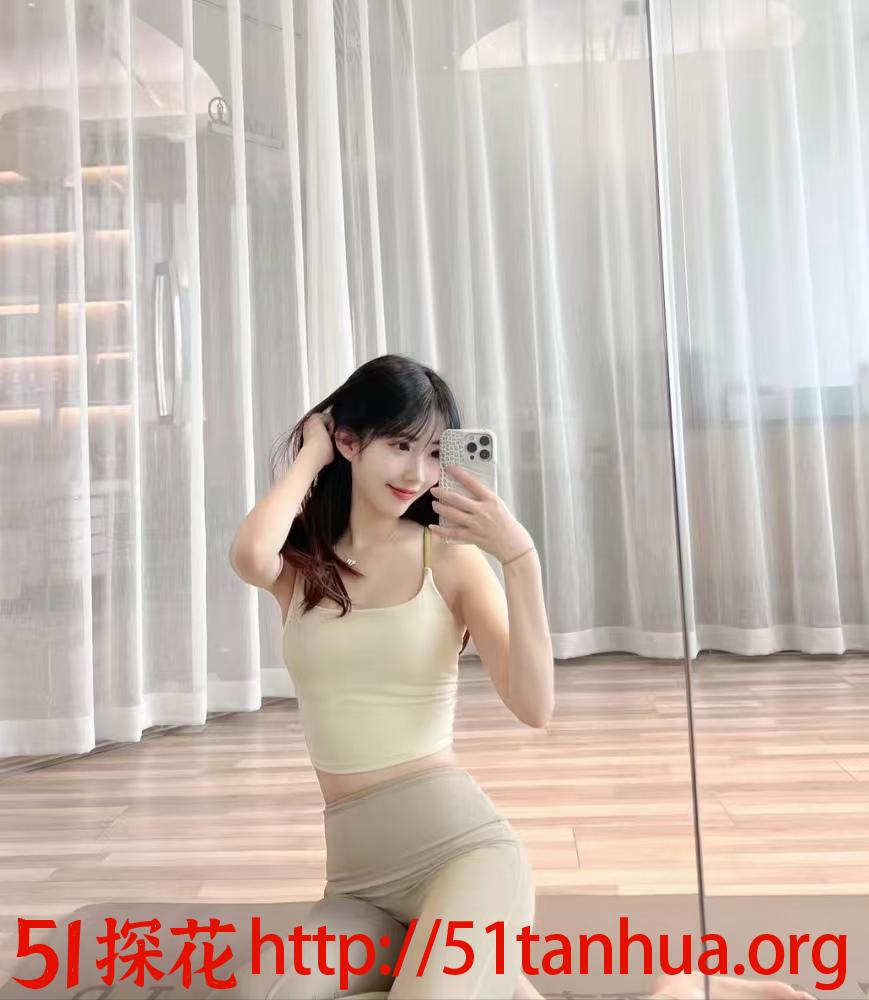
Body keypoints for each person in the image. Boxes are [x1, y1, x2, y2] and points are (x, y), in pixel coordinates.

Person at [229, 354, 815, 1000]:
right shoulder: (303, 567)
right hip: (357, 886)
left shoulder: (450, 562)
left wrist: (519, 559)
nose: (417, 473)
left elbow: (534, 707)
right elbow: (249, 554)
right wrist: (311, 454)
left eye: (433, 453)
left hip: (462, 861)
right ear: (349, 441)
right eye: (399, 446)